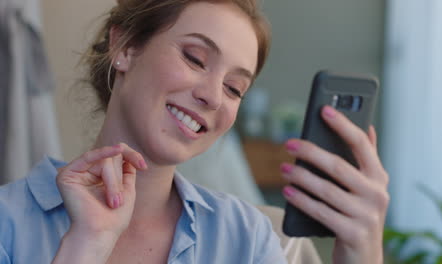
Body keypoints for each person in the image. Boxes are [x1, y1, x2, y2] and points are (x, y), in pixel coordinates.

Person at [0, 0, 389, 263]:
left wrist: (363, 253)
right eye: (195, 58)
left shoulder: (246, 237)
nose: (213, 97)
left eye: (235, 88)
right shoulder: (8, 223)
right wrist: (83, 248)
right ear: (125, 47)